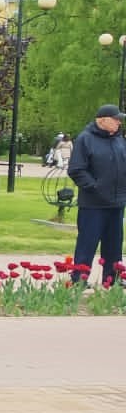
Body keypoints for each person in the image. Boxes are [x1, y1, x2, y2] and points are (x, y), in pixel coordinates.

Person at [67, 105, 126, 287]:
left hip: (117, 202)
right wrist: (94, 186)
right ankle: (79, 279)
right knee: (87, 243)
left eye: (119, 119)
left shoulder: (119, 140)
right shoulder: (85, 139)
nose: (119, 122)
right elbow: (76, 169)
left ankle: (111, 279)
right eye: (115, 119)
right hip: (93, 203)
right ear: (101, 120)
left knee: (114, 244)